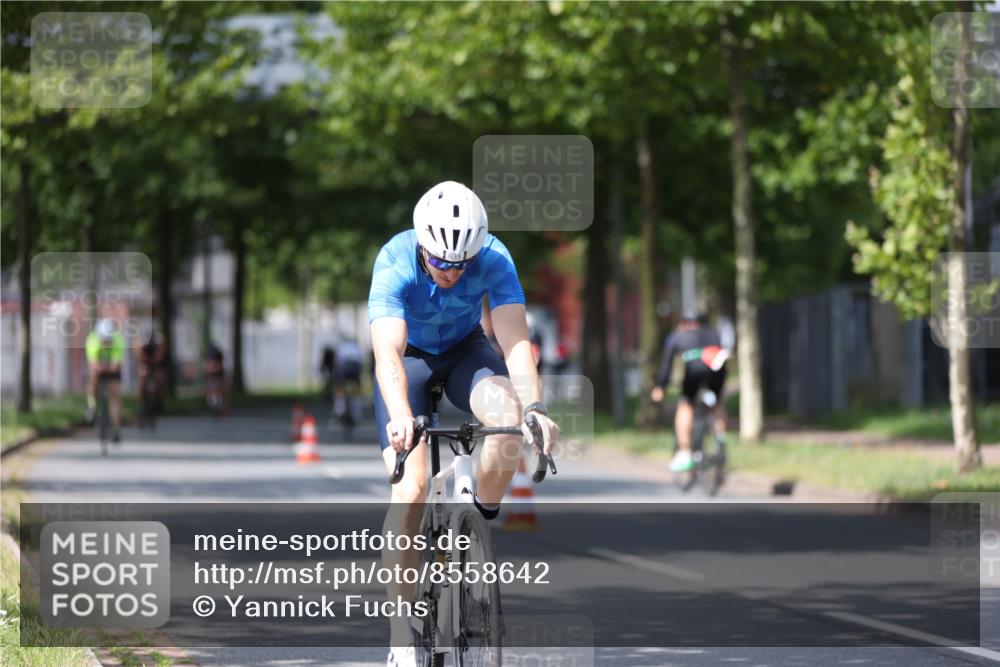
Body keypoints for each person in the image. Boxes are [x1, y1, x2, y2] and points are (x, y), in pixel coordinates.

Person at [369, 180, 559, 666]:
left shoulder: (494, 257)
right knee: (410, 490)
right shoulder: (394, 260)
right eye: (441, 263)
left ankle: (472, 524)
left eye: (461, 263)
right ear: (422, 246)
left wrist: (534, 407)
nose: (452, 272)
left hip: (464, 353)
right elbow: (387, 351)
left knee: (509, 421)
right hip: (406, 364)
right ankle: (400, 631)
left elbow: (514, 338)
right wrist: (400, 417)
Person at [650, 310, 729, 472]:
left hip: (694, 372)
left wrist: (661, 387)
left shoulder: (678, 336)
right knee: (716, 405)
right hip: (717, 372)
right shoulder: (714, 334)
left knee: (685, 406)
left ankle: (685, 452)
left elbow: (667, 364)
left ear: (683, 323)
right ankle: (720, 437)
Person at [85, 318, 126, 443]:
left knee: (115, 394)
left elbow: (115, 365)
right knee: (93, 379)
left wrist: (110, 367)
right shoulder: (92, 340)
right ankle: (92, 407)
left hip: (112, 370)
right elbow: (93, 364)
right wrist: (98, 369)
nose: (106, 342)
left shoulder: (118, 341)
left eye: (109, 340)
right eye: (104, 339)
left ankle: (116, 430)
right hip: (99, 368)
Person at [332, 337, 364, 423]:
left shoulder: (341, 346)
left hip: (345, 366)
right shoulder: (357, 346)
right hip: (356, 366)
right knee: (358, 388)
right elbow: (362, 361)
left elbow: (337, 362)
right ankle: (357, 411)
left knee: (339, 387)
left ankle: (339, 409)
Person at [135, 329, 165, 418]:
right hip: (143, 361)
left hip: (155, 363)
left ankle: (158, 400)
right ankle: (140, 404)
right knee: (142, 375)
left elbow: (159, 357)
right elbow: (138, 356)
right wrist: (144, 363)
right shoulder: (139, 343)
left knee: (160, 377)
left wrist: (154, 361)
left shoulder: (160, 342)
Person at [203, 341, 226, 413]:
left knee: (216, 390)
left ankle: (218, 405)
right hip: (214, 376)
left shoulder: (211, 356)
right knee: (213, 390)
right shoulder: (216, 356)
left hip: (215, 376)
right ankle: (216, 404)